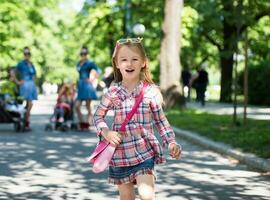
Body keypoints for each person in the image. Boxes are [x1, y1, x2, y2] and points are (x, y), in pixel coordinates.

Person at [93, 38, 182, 200]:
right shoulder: (112, 92)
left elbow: (161, 121)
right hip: (120, 154)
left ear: (143, 62)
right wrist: (106, 132)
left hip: (144, 153)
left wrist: (171, 142)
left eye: (134, 59)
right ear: (117, 64)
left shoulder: (151, 92)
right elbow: (98, 116)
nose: (129, 64)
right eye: (124, 60)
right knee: (127, 198)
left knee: (146, 195)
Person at [11, 47, 38, 131]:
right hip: (24, 85)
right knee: (28, 104)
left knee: (29, 104)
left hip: (31, 85)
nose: (27, 55)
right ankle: (26, 122)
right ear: (23, 55)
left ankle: (26, 122)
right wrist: (17, 82)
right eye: (25, 54)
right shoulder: (21, 64)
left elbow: (34, 75)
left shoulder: (31, 64)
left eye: (28, 54)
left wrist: (34, 84)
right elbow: (12, 72)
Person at [75, 46, 99, 130]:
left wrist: (92, 79)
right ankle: (82, 122)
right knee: (77, 106)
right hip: (81, 85)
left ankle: (88, 123)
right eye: (81, 53)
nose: (83, 55)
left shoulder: (90, 63)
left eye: (84, 53)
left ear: (87, 54)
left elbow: (98, 71)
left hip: (87, 85)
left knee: (88, 106)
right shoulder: (78, 63)